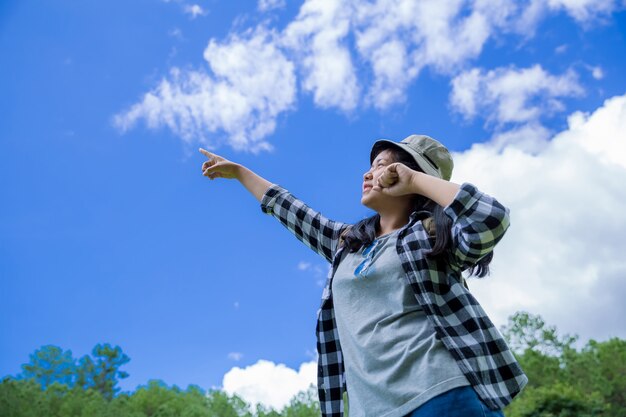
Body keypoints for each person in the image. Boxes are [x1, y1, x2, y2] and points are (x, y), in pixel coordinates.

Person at [199, 134, 528, 417]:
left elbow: (491, 218)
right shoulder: (348, 244)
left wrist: (413, 180)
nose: (369, 173)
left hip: (441, 393)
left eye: (384, 165)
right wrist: (240, 172)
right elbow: (289, 208)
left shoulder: (433, 237)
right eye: (372, 165)